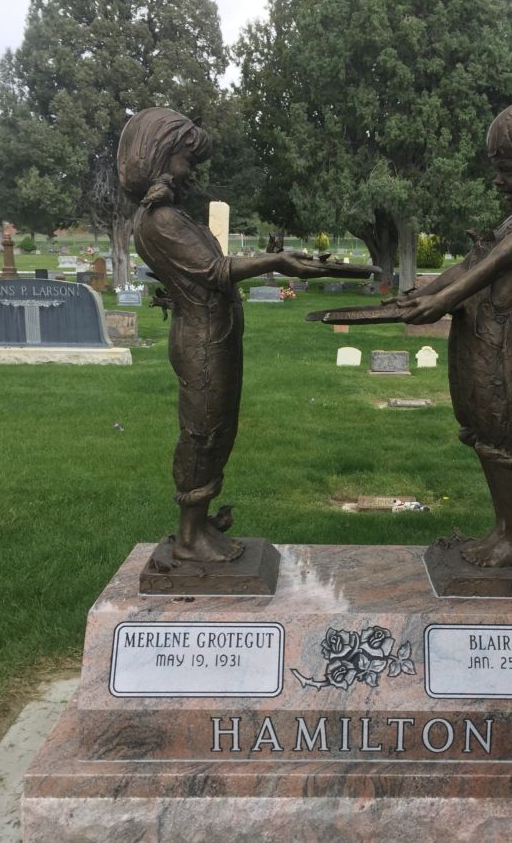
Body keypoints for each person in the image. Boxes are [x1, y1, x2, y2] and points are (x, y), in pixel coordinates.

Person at [117, 106, 361, 563]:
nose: (191, 172)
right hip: (202, 340)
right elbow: (214, 271)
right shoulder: (160, 220)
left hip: (214, 334)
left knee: (219, 428)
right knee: (202, 432)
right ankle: (189, 536)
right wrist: (278, 261)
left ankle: (200, 524)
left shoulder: (169, 216)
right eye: (187, 160)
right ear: (160, 156)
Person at [393, 97, 512, 569]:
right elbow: (470, 263)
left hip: (502, 342)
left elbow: (491, 267)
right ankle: (502, 530)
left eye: (508, 170)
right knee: (484, 434)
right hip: (477, 336)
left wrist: (441, 303)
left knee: (505, 437)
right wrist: (423, 293)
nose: (498, 180)